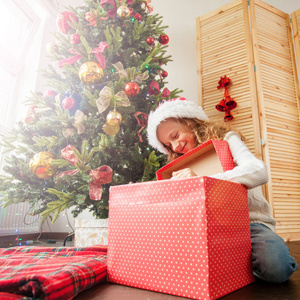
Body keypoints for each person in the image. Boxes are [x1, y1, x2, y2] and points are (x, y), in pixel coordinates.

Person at [147, 97, 298, 283]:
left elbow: (259, 171)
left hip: (251, 224)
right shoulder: (180, 166)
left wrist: (204, 181)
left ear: (190, 122)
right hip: (211, 229)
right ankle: (241, 267)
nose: (175, 146)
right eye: (169, 145)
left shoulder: (227, 139)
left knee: (276, 268)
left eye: (175, 136)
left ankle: (253, 262)